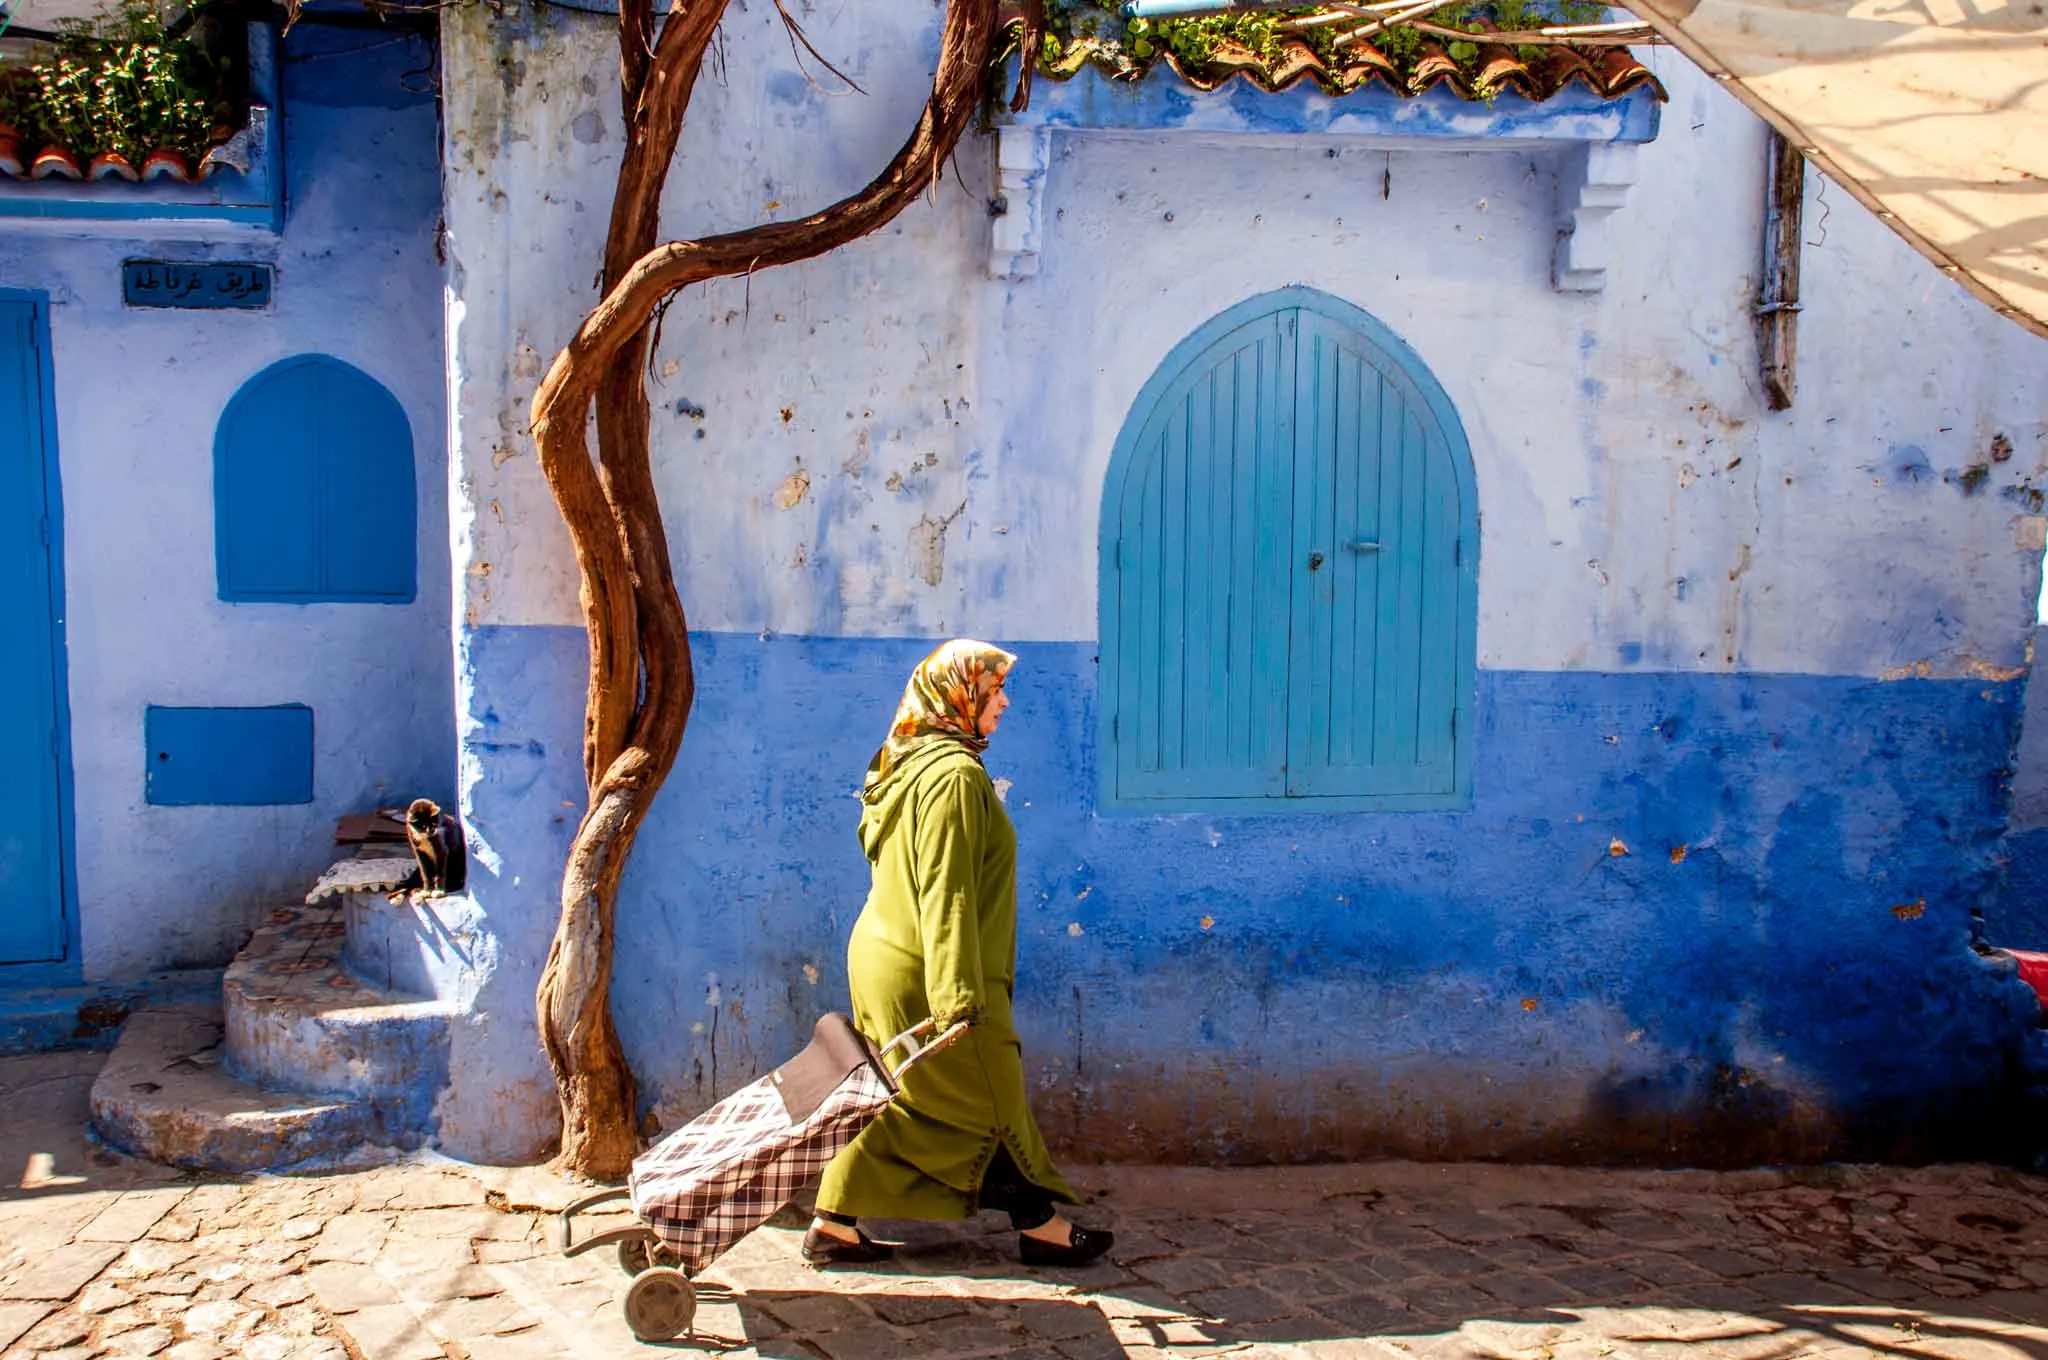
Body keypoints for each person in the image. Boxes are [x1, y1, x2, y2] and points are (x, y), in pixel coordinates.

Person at [807, 639, 1114, 1270]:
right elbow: (947, 889)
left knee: (920, 1097)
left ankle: (836, 1222)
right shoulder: (954, 776)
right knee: (989, 1091)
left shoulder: (908, 763)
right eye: (992, 689)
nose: (1003, 702)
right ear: (959, 695)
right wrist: (957, 996)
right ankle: (1041, 1225)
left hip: (888, 949)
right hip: (931, 964)